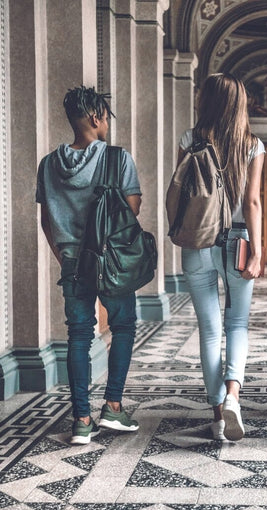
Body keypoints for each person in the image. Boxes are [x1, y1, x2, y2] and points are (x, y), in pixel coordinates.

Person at [36, 86, 141, 444]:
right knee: (123, 325)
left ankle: (81, 420)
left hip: (72, 262)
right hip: (112, 260)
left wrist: (64, 256)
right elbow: (132, 211)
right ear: (96, 117)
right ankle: (113, 406)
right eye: (106, 118)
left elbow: (47, 219)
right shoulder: (117, 158)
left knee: (79, 336)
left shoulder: (49, 164)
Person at [177, 73, 265, 442]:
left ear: (207, 101)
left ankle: (217, 415)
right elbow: (253, 202)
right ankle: (233, 395)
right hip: (238, 241)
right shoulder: (253, 145)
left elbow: (182, 190)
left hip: (198, 240)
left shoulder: (189, 139)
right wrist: (259, 251)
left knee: (210, 330)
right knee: (238, 325)